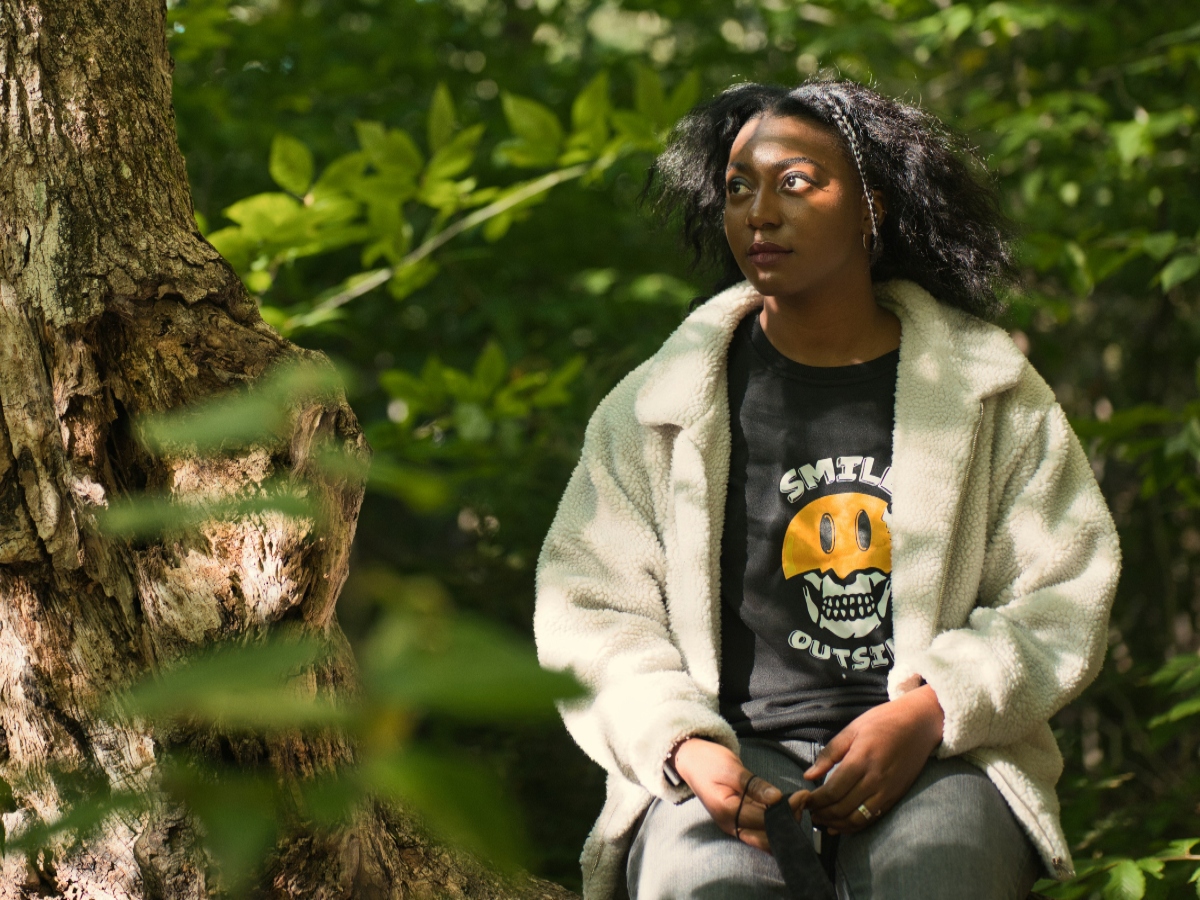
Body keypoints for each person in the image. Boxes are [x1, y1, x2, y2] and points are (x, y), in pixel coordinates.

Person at [533, 79, 1120, 900]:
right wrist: (681, 745)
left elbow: (1062, 590)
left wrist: (930, 712)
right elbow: (587, 611)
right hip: (727, 756)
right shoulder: (659, 403)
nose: (759, 213)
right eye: (739, 188)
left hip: (940, 760)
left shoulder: (988, 391)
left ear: (869, 206)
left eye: (796, 183)